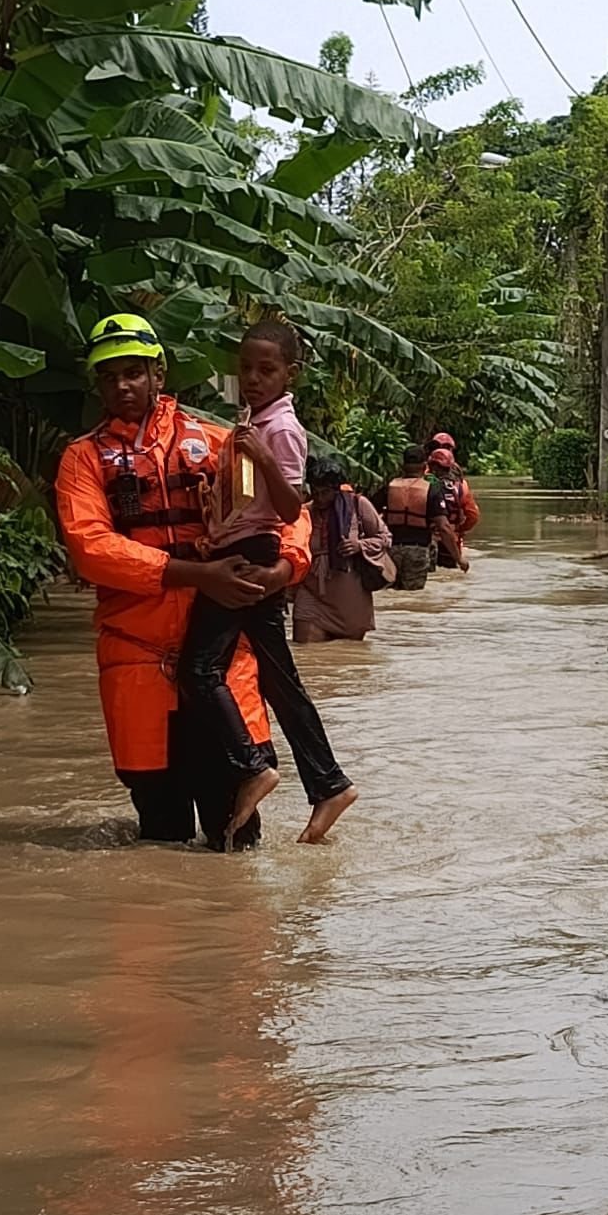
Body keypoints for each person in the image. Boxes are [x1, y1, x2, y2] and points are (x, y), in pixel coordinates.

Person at [55, 313, 311, 851]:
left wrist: (283, 570)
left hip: (221, 657)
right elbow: (91, 547)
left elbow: (289, 513)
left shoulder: (219, 440)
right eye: (109, 376)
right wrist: (198, 575)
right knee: (160, 832)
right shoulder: (83, 460)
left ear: (158, 374)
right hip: (136, 661)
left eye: (133, 372)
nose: (122, 386)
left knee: (237, 836)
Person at [179, 319, 359, 846]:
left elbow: (287, 508)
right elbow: (246, 500)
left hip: (251, 555)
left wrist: (261, 456)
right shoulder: (252, 419)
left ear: (290, 374)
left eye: (267, 370)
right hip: (240, 547)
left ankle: (252, 765)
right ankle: (330, 785)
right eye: (246, 369)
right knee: (280, 681)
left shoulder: (279, 429)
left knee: (199, 668)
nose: (254, 379)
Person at [293, 457, 393, 643]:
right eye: (315, 492)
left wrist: (359, 546)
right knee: (305, 650)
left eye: (325, 492)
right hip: (311, 592)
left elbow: (385, 538)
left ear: (337, 489)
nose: (319, 498)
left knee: (349, 654)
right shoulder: (304, 512)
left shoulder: (358, 505)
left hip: (349, 597)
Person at [374, 444, 462, 590]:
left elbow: (368, 514)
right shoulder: (431, 490)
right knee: (413, 595)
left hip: (391, 550)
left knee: (390, 590)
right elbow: (444, 527)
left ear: (402, 466)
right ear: (424, 466)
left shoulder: (389, 487)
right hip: (417, 550)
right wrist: (459, 558)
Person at [428, 444, 480, 569]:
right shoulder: (461, 487)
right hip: (451, 540)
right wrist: (459, 529)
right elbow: (473, 516)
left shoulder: (422, 484)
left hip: (426, 539)